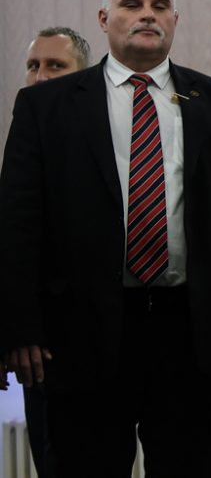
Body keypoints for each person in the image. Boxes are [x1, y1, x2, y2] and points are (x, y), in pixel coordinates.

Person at [0, 0, 211, 478]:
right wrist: (19, 323)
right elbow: (17, 222)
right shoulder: (46, 106)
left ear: (175, 19)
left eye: (159, 6)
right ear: (104, 18)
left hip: (192, 334)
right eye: (131, 4)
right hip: (80, 335)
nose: (147, 14)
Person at [1, 26, 92, 478]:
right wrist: (18, 329)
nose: (39, 77)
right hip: (45, 343)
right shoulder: (26, 130)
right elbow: (15, 233)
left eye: (55, 66)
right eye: (33, 66)